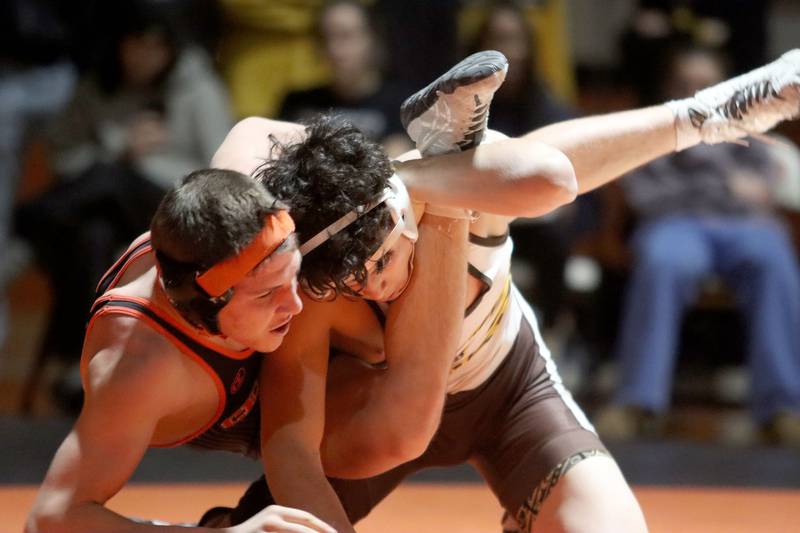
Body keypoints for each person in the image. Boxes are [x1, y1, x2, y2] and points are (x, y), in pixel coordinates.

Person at [207, 48, 800, 533]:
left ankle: (707, 115)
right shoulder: (312, 276)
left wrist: (411, 173)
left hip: (508, 391)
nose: (373, 281)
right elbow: (291, 448)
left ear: (396, 211)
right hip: (376, 423)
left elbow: (554, 177)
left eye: (383, 256)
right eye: (353, 277)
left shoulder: (451, 181)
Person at [24, 168, 339, 532]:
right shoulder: (140, 364)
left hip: (266, 395)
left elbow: (253, 126)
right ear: (202, 305)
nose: (295, 306)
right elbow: (49, 521)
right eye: (267, 293)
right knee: (372, 433)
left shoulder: (224, 215)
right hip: (226, 408)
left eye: (292, 276)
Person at [14, 2, 233, 408]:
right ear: (120, 44)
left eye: (156, 47)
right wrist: (118, 147)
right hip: (106, 216)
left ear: (172, 50)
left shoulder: (197, 86)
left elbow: (220, 170)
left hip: (177, 208)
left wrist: (138, 161)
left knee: (110, 179)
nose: (144, 56)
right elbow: (62, 153)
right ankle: (92, 367)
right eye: (136, 44)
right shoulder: (100, 86)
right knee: (91, 235)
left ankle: (33, 217)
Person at [595, 46, 800, 444]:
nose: (695, 90)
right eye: (684, 83)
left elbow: (767, 188)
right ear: (669, 88)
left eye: (704, 83)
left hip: (743, 227)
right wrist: (725, 187)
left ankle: (783, 406)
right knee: (662, 261)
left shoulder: (753, 130)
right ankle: (637, 401)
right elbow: (644, 196)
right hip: (676, 226)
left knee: (773, 258)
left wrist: (739, 192)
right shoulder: (651, 131)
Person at [278, 0, 411, 156]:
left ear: (373, 39)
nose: (334, 49)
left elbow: (397, 160)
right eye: (326, 38)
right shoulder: (298, 102)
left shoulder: (402, 104)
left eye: (346, 36)